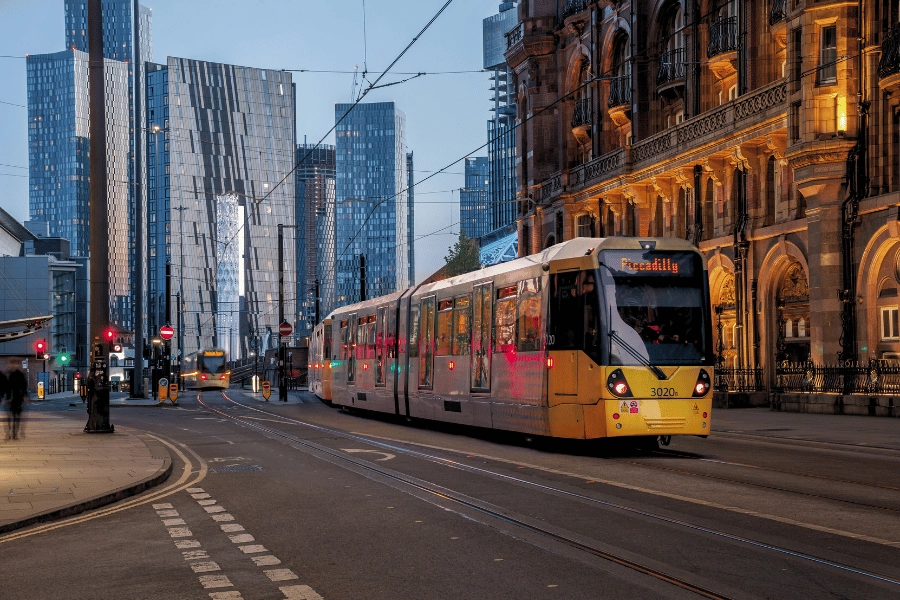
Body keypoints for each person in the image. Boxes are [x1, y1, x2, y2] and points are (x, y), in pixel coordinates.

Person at [7, 368, 27, 440]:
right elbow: (24, 387)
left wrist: (8, 397)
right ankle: (15, 433)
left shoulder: (11, 375)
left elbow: (8, 387)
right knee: (17, 416)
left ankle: (12, 432)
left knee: (12, 415)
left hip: (14, 398)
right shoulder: (20, 375)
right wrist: (25, 395)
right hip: (18, 398)